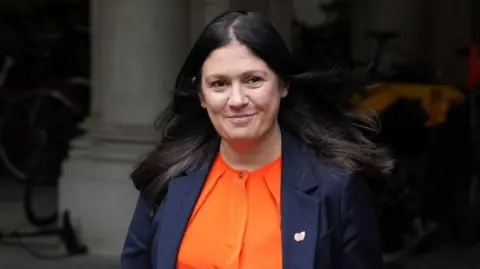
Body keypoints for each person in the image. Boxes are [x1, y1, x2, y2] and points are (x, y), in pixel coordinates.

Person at [121, 10, 393, 269]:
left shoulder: (336, 188)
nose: (237, 100)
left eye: (252, 80)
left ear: (282, 85)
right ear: (202, 96)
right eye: (219, 84)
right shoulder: (168, 180)